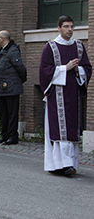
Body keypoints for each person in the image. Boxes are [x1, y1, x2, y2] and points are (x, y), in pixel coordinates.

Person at [39, 15, 92, 176]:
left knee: (71, 128)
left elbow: (87, 68)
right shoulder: (51, 47)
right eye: (66, 26)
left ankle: (70, 163)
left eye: (71, 26)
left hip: (73, 94)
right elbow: (43, 71)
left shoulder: (79, 46)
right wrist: (64, 68)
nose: (70, 30)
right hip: (57, 95)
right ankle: (60, 165)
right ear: (59, 28)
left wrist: (78, 70)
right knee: (59, 129)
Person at [0, 30, 27, 145]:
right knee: (3, 112)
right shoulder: (2, 51)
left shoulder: (12, 51)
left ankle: (13, 136)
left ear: (2, 39)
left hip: (11, 88)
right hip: (3, 88)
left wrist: (17, 82)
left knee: (12, 113)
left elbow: (20, 68)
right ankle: (4, 135)